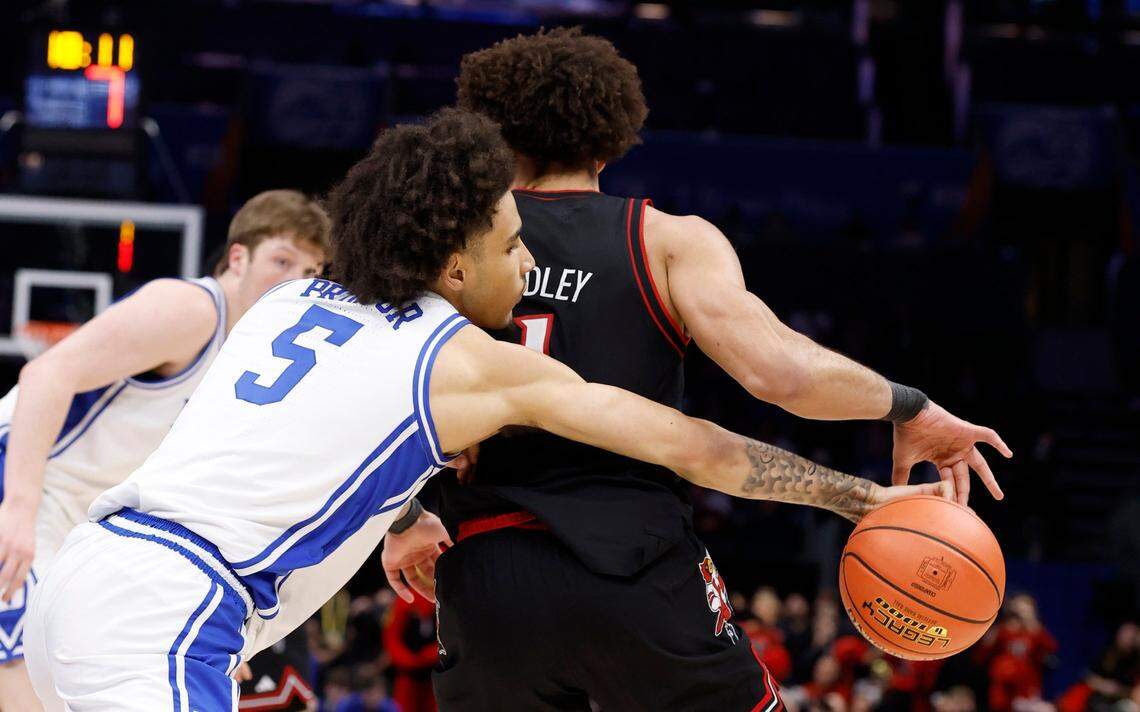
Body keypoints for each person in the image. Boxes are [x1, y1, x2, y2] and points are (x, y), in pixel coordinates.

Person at [23, 109, 947, 710]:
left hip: (85, 583)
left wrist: (409, 510)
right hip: (172, 613)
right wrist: (860, 501)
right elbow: (693, 447)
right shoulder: (464, 361)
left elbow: (300, 437)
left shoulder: (297, 303)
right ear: (453, 265)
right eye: (511, 245)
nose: (529, 266)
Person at [378, 28, 1012, 712]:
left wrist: (401, 515)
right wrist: (908, 405)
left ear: (494, 133)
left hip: (483, 578)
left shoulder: (449, 248)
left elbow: (375, 396)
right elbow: (781, 375)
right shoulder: (664, 240)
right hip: (632, 570)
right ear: (609, 136)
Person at [0, 189, 328, 710]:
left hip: (84, 526)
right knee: (27, 683)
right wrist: (15, 512)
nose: (295, 282)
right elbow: (45, 374)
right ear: (237, 258)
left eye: (310, 272)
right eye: (282, 261)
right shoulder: (192, 308)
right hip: (25, 485)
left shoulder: (249, 360)